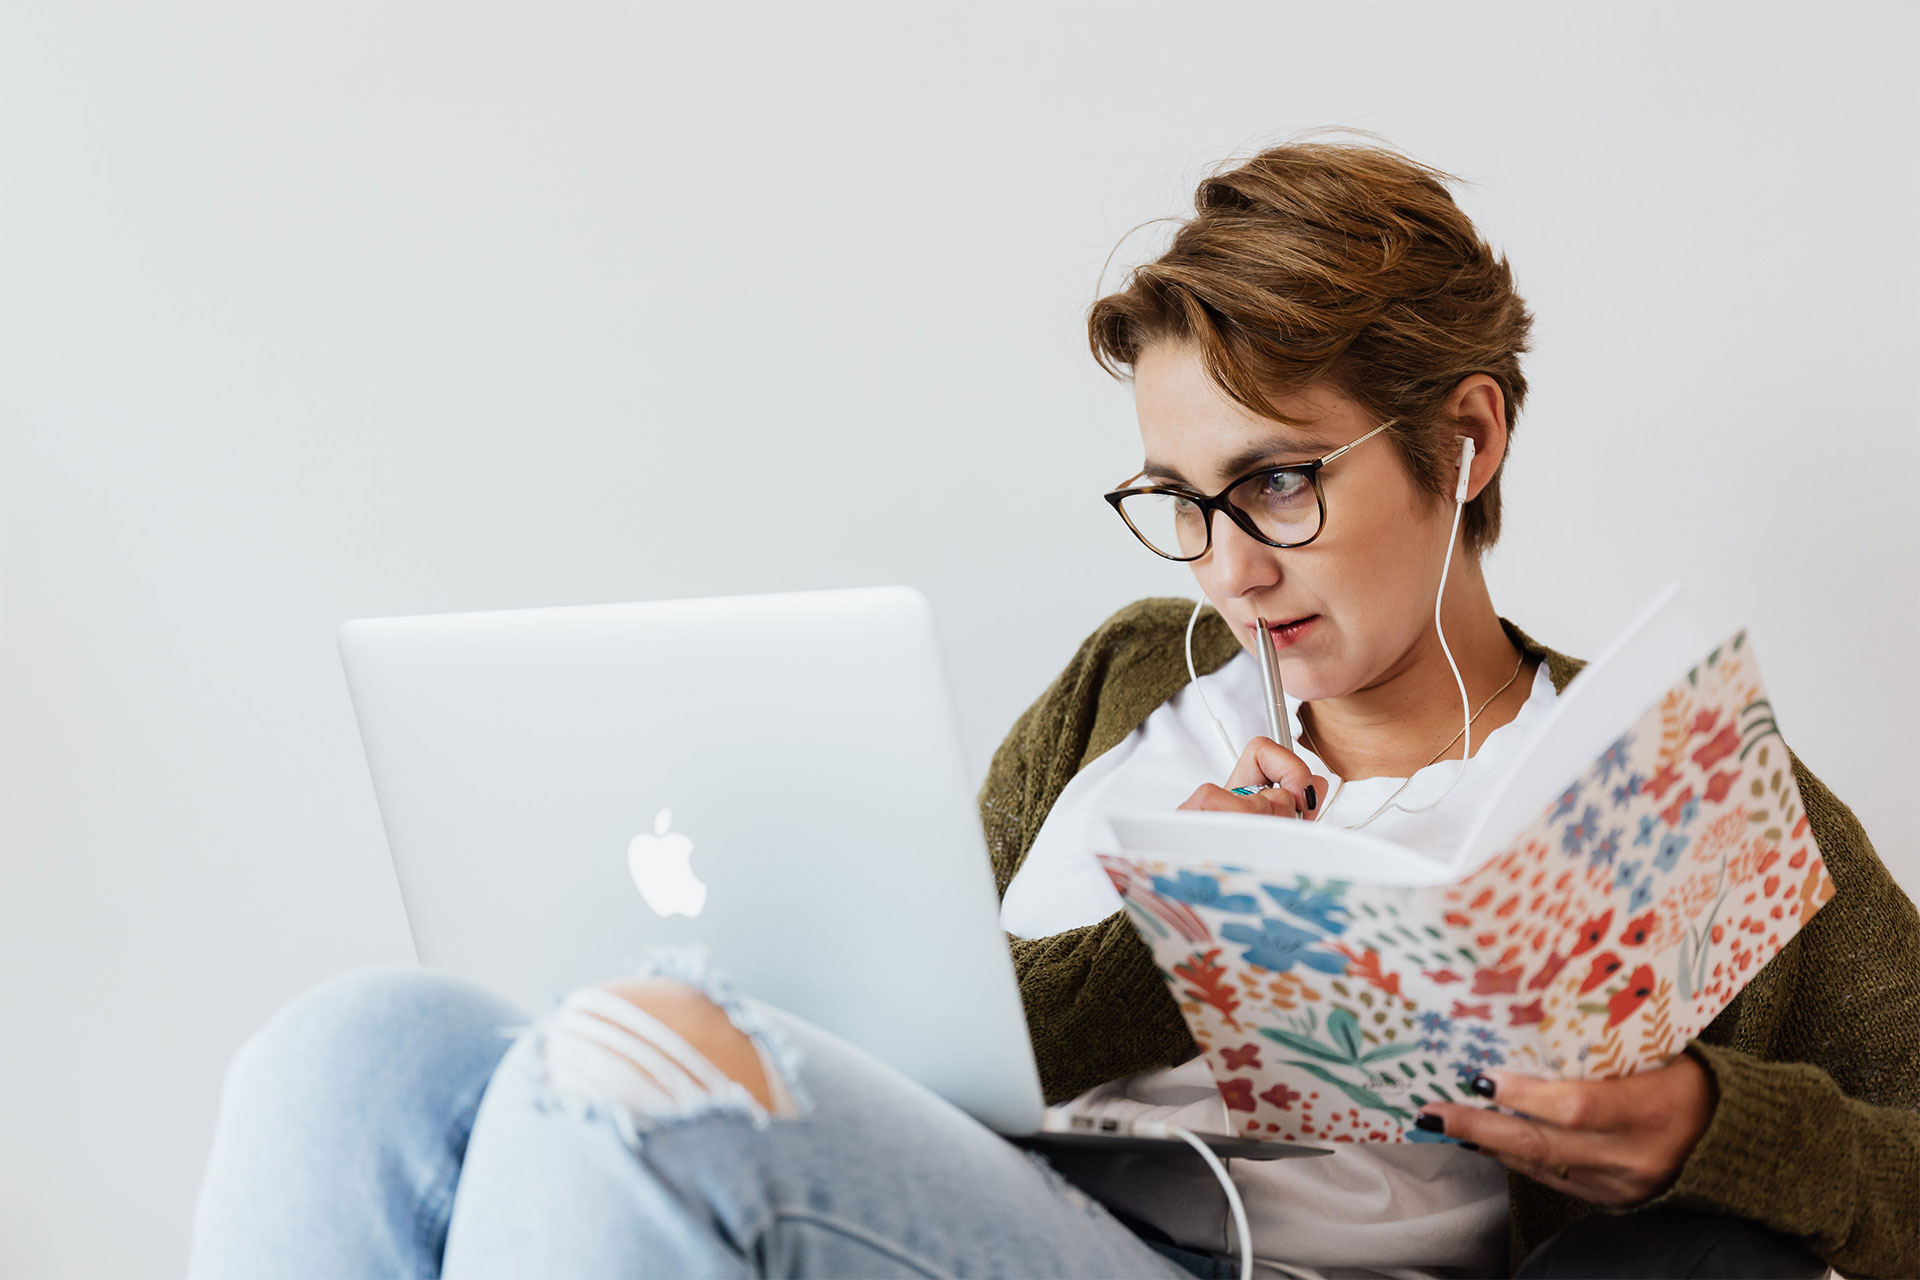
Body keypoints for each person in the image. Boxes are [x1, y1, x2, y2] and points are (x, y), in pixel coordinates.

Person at [188, 137, 1918, 1280]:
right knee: (355, 1052)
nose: (1228, 566)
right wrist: (1178, 934)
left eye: (1282, 485)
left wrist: (1712, 1127)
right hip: (983, 1214)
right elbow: (915, 1042)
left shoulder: (1663, 785)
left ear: (1466, 440)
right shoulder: (1119, 692)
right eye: (1181, 495)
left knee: (634, 1079)